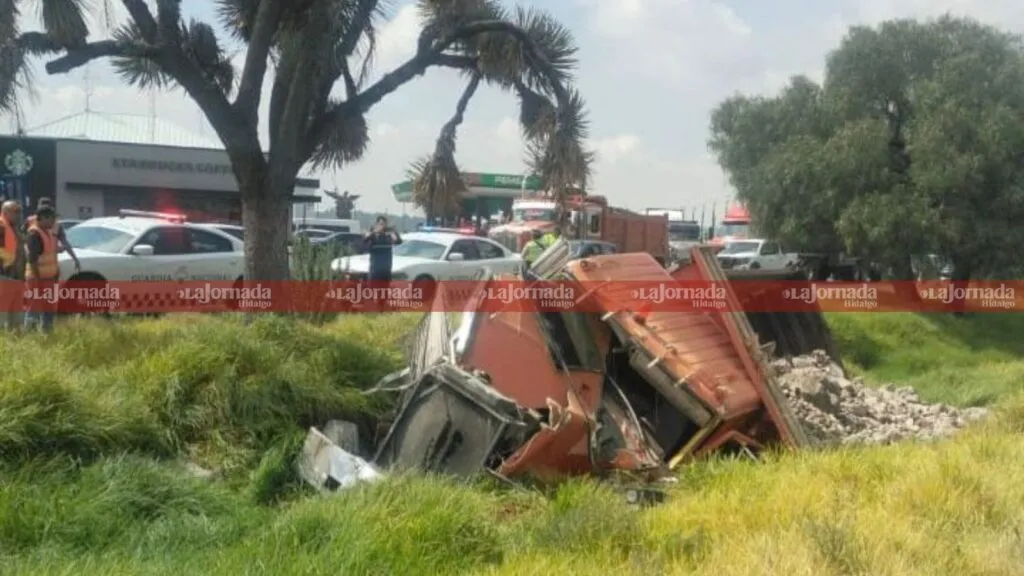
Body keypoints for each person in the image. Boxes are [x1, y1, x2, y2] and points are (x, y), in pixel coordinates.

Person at [24, 206, 59, 333]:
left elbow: (50, 255)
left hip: (48, 278)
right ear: (43, 218)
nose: (54, 222)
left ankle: (47, 333)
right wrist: (38, 279)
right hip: (37, 279)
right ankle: (30, 334)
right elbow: (32, 259)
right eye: (52, 219)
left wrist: (55, 272)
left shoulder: (47, 232)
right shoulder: (34, 234)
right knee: (34, 307)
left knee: (49, 307)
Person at [27, 197, 81, 274]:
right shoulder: (30, 222)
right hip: (35, 270)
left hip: (51, 267)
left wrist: (74, 258)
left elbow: (65, 243)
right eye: (43, 207)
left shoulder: (56, 225)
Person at [0, 200, 25, 332]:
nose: (19, 215)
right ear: (6, 212)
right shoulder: (1, 226)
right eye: (16, 212)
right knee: (2, 314)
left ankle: (14, 340)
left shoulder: (15, 228)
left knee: (16, 316)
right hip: (4, 276)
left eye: (20, 212)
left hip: (16, 277)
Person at [363, 216, 402, 283]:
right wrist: (374, 232)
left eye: (384, 224)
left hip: (386, 269)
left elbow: (399, 241)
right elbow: (364, 241)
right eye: (381, 224)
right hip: (375, 270)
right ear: (376, 224)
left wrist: (393, 234)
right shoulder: (373, 234)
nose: (382, 226)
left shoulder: (389, 234)